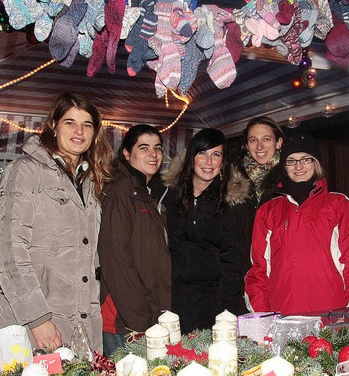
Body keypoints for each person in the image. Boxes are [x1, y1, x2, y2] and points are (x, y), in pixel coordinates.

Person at [0, 92, 113, 353]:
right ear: (54, 125)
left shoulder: (91, 180)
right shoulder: (26, 170)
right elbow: (8, 250)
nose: (79, 131)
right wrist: (38, 318)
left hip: (81, 316)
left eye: (87, 125)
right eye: (70, 122)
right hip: (35, 318)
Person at [245, 133, 349, 315]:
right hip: (283, 317)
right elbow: (258, 272)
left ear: (316, 163)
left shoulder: (339, 205)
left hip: (331, 318)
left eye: (306, 159)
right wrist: (263, 315)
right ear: (284, 166)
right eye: (291, 161)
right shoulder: (268, 211)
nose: (298, 166)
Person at [162, 128, 251, 333]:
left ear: (223, 162)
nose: (209, 162)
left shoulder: (230, 201)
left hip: (214, 301)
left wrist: (226, 310)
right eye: (202, 153)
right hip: (175, 300)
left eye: (216, 155)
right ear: (192, 157)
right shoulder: (170, 195)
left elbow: (233, 260)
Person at [98, 124, 171, 357]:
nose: (153, 154)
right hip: (125, 320)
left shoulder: (147, 193)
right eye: (144, 148)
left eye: (157, 148)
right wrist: (141, 320)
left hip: (148, 313)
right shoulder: (121, 191)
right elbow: (116, 260)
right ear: (127, 154)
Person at [239, 117, 285, 274]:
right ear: (246, 145)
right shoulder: (232, 181)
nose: (259, 146)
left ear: (278, 142)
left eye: (266, 139)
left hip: (281, 270)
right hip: (244, 271)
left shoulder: (290, 180)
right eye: (253, 140)